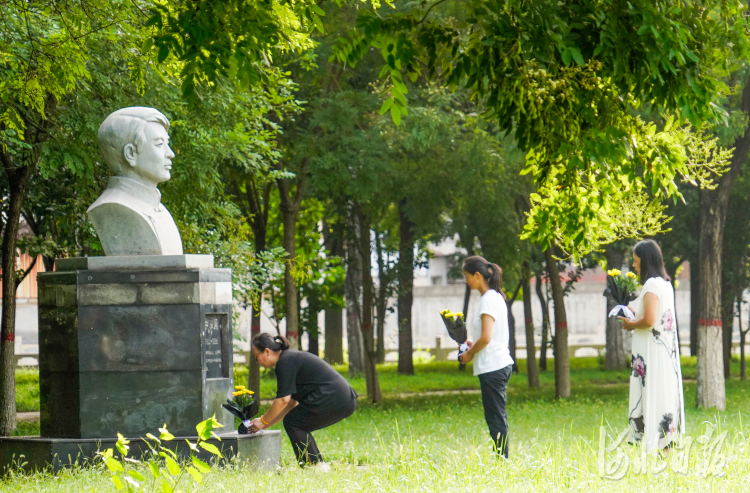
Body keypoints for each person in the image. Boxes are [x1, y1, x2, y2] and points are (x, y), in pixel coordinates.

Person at [249, 333, 358, 469]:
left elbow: (283, 400)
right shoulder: (288, 359)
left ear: (267, 351)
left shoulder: (285, 362)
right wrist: (266, 423)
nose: (256, 361)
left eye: (255, 357)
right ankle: (316, 465)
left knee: (294, 422)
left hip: (334, 396)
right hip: (345, 398)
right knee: (295, 421)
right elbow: (291, 403)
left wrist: (263, 420)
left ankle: (314, 466)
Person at [618, 239, 685, 452]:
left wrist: (630, 325)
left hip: (654, 355)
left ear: (645, 261)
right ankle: (665, 451)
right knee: (664, 399)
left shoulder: (651, 284)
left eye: (636, 261)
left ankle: (658, 451)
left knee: (654, 397)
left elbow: (648, 320)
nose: (635, 265)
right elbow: (642, 310)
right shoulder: (664, 284)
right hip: (664, 356)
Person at [458, 255, 514, 458]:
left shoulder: (488, 300)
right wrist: (473, 345)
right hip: (496, 363)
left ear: (478, 275)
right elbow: (488, 336)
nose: (466, 281)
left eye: (467, 276)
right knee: (496, 415)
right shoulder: (495, 297)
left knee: (495, 417)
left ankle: (502, 460)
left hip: (493, 366)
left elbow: (487, 338)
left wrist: (469, 354)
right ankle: (501, 457)